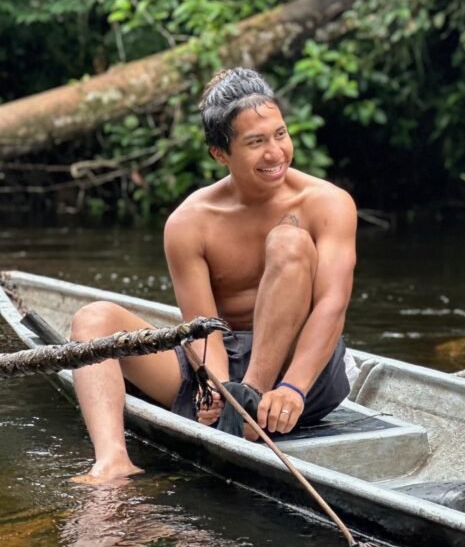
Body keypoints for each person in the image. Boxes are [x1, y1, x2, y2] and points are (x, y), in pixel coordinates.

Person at [70, 67, 358, 484]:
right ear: (220, 154)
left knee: (289, 242)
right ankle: (113, 461)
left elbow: (332, 304)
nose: (276, 152)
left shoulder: (328, 202)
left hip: (302, 369)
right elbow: (202, 328)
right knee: (91, 320)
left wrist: (292, 388)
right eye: (256, 142)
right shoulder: (189, 222)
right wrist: (216, 389)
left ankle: (250, 404)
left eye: (280, 134)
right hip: (221, 360)